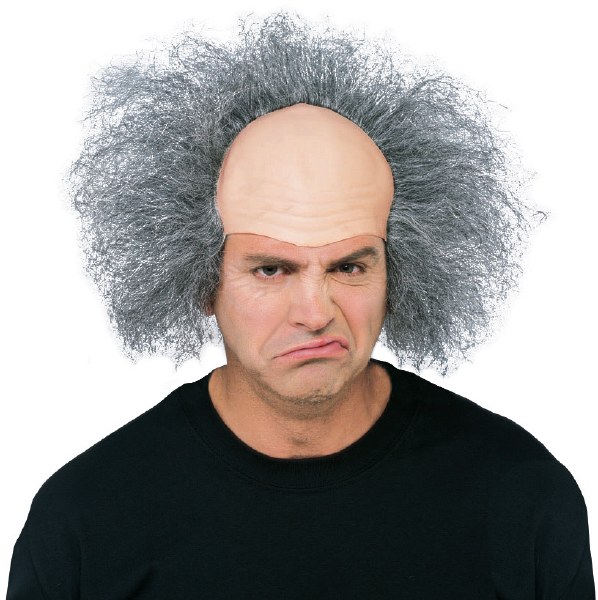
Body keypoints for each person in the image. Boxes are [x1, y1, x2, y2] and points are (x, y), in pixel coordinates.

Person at [7, 11, 594, 599]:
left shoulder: (522, 498)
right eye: (271, 269)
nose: (315, 313)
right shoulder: (84, 522)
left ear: (400, 272)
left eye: (349, 267)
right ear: (199, 278)